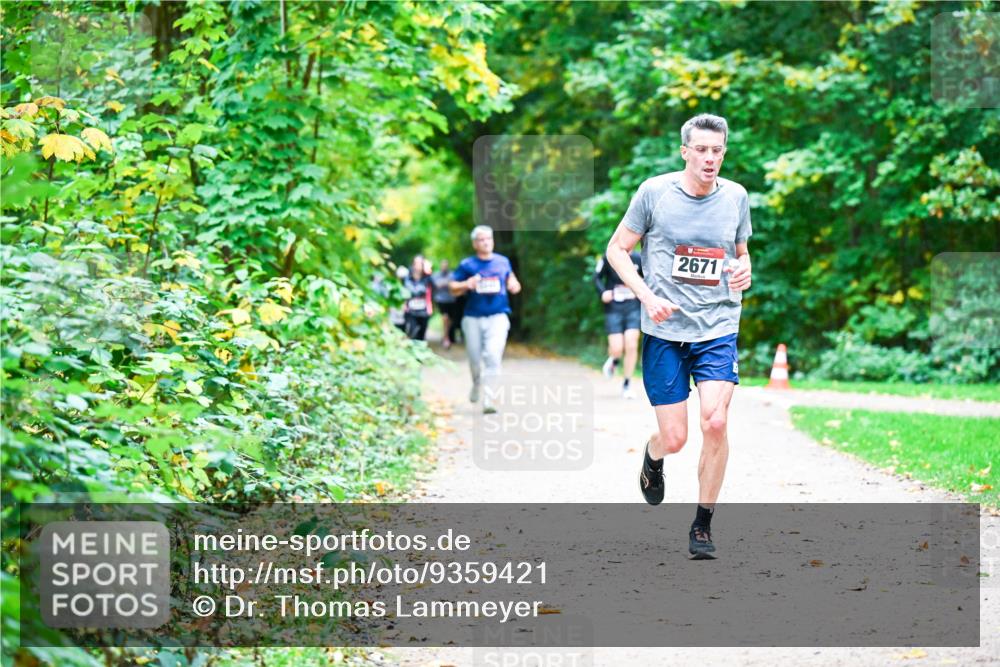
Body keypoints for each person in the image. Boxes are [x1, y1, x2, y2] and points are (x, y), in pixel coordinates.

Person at [605, 113, 752, 559]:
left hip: (719, 325)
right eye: (702, 150)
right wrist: (647, 296)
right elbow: (617, 249)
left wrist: (746, 269)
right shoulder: (654, 193)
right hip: (665, 329)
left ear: (724, 151)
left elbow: (741, 253)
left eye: (718, 150)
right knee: (675, 438)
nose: (710, 158)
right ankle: (653, 458)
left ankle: (702, 525)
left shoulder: (736, 197)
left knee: (716, 421)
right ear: (685, 151)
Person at [449, 225, 521, 414]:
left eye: (488, 238)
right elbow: (452, 287)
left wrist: (514, 285)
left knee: (493, 355)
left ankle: (490, 399)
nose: (486, 242)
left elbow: (512, 281)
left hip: (498, 316)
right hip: (472, 317)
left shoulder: (502, 261)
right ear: (475, 244)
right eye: (481, 239)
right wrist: (467, 284)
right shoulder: (467, 265)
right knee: (474, 359)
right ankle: (476, 383)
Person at [594, 250, 643, 399]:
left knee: (631, 344)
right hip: (613, 308)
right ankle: (615, 359)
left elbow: (649, 278)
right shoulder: (608, 257)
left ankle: (627, 384)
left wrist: (640, 289)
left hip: (633, 307)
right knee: (617, 348)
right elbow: (596, 277)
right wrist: (602, 292)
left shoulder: (638, 258)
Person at [432, 259, 461, 349]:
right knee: (445, 318)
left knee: (450, 319)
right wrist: (448, 284)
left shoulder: (452, 274)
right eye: (442, 265)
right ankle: (446, 338)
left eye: (445, 265)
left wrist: (446, 284)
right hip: (441, 300)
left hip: (451, 300)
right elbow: (436, 285)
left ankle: (447, 336)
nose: (444, 267)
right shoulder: (436, 275)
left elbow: (454, 285)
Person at [403, 255, 433, 340]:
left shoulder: (428, 278)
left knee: (421, 335)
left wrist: (429, 271)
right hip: (410, 310)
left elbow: (434, 288)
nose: (418, 265)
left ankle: (421, 350)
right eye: (416, 263)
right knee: (412, 332)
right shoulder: (407, 278)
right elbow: (405, 292)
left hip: (424, 310)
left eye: (420, 263)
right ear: (413, 264)